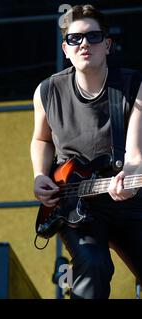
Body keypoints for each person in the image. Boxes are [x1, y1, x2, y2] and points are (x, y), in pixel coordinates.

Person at [30, 4, 142, 299]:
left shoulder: (134, 85)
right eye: (75, 39)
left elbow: (135, 154)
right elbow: (41, 140)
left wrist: (130, 174)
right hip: (75, 202)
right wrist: (40, 175)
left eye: (93, 37)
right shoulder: (47, 91)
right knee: (93, 265)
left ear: (107, 44)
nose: (84, 44)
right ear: (65, 49)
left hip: (127, 197)